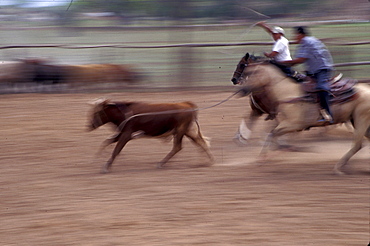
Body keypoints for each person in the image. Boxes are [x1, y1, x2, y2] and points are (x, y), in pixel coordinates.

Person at [281, 26, 334, 124]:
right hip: (314, 70)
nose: (295, 37)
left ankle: (327, 114)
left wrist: (283, 63)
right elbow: (298, 60)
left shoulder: (307, 42)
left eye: (295, 35)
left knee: (321, 87)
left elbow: (300, 59)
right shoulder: (304, 43)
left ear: (300, 34)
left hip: (322, 69)